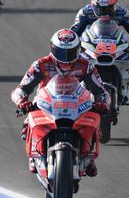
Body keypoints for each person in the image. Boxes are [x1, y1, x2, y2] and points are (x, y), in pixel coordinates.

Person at [11, 29, 110, 177]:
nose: (66, 58)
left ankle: (87, 157)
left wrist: (102, 103)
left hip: (77, 102)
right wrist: (22, 101)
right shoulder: (41, 64)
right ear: (52, 49)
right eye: (61, 52)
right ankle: (34, 156)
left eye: (70, 52)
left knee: (95, 125)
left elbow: (101, 90)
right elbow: (21, 88)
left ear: (78, 50)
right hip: (46, 102)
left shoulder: (86, 66)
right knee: (26, 125)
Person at [70, 0, 129, 105]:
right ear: (93, 5)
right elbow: (73, 32)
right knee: (71, 59)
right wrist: (72, 42)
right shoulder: (85, 12)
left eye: (108, 8)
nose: (104, 13)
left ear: (115, 5)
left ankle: (124, 86)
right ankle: (75, 87)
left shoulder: (123, 13)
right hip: (92, 47)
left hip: (115, 47)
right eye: (100, 9)